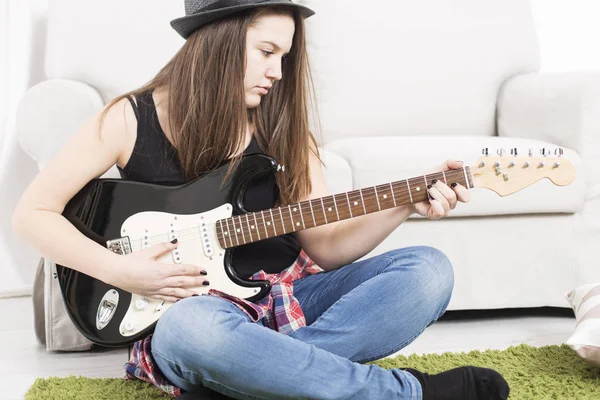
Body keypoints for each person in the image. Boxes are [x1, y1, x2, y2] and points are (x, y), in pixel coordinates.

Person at [12, 0, 510, 399]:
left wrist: (404, 203)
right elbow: (32, 213)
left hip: (286, 302)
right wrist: (120, 271)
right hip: (197, 314)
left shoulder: (285, 130)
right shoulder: (129, 117)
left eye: (284, 57)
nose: (277, 71)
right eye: (266, 51)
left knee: (429, 270)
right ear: (220, 41)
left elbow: (326, 249)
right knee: (194, 329)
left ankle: (251, 377)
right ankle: (405, 393)